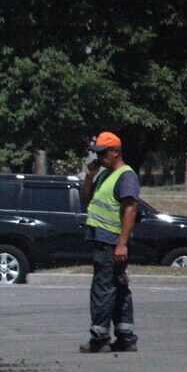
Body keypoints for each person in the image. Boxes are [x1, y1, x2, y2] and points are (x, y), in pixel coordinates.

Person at [79, 132, 140, 353]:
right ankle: (126, 337)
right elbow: (86, 200)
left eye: (103, 153)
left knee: (102, 290)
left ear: (115, 151)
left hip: (111, 243)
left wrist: (122, 243)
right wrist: (89, 177)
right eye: (97, 153)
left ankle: (100, 338)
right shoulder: (105, 175)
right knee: (119, 289)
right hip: (104, 240)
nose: (100, 157)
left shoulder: (126, 175)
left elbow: (131, 208)